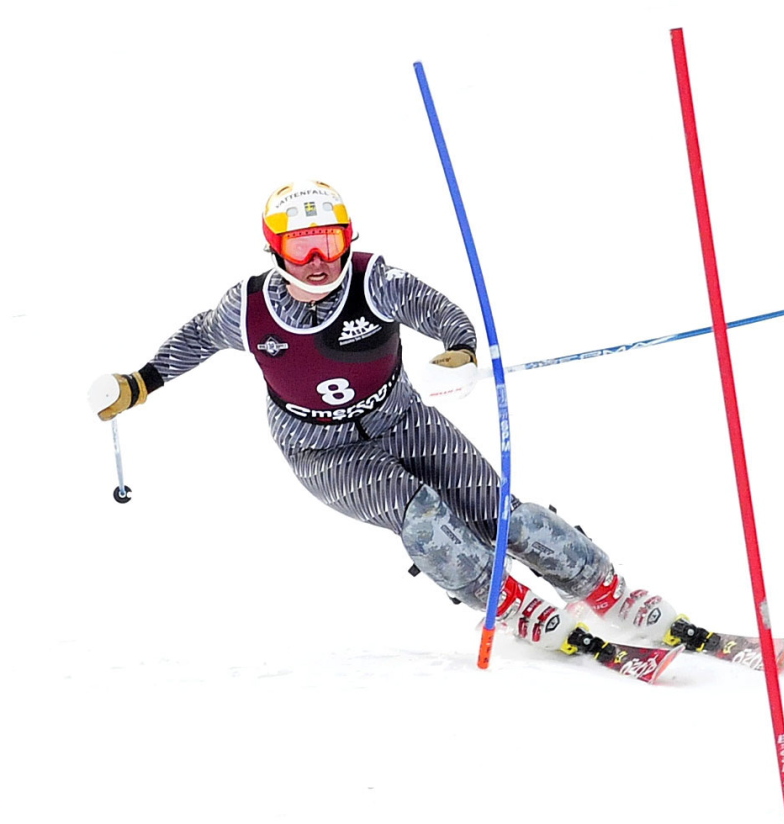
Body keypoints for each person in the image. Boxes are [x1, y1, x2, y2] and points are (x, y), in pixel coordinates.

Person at [88, 180, 716, 657]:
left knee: (500, 512)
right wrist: (140, 382)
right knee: (423, 514)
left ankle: (605, 590)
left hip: (402, 415)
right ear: (275, 246)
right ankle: (512, 606)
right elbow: (198, 336)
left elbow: (443, 314)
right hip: (321, 451)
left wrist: (460, 350)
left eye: (329, 242)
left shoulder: (373, 280)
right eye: (301, 244)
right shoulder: (250, 309)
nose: (317, 259)